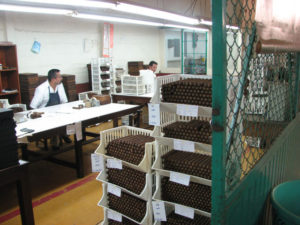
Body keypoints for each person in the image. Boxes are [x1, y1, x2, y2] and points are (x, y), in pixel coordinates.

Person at [30, 69, 71, 148]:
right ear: (53, 79)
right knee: (55, 123)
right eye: (59, 77)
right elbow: (33, 106)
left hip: (57, 112)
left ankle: (64, 134)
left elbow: (64, 101)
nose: (61, 78)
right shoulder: (41, 89)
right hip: (44, 116)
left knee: (69, 118)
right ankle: (55, 143)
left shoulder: (60, 86)